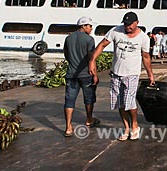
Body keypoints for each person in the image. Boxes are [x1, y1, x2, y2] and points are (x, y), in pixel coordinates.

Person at [89, 11, 154, 141]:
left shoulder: (143, 38)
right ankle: (126, 128)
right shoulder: (115, 31)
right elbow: (102, 45)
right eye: (125, 24)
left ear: (137, 23)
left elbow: (146, 57)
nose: (127, 27)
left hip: (132, 73)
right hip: (116, 73)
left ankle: (135, 125)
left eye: (130, 25)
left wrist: (150, 75)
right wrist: (92, 60)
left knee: (129, 102)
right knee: (120, 103)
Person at [63, 16, 99, 137]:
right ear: (83, 26)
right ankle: (89, 119)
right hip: (86, 74)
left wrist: (73, 63)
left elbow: (66, 55)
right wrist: (95, 74)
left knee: (69, 100)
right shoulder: (89, 40)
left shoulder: (68, 38)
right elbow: (91, 59)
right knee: (88, 98)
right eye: (89, 26)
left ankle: (68, 127)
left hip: (71, 74)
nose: (91, 28)